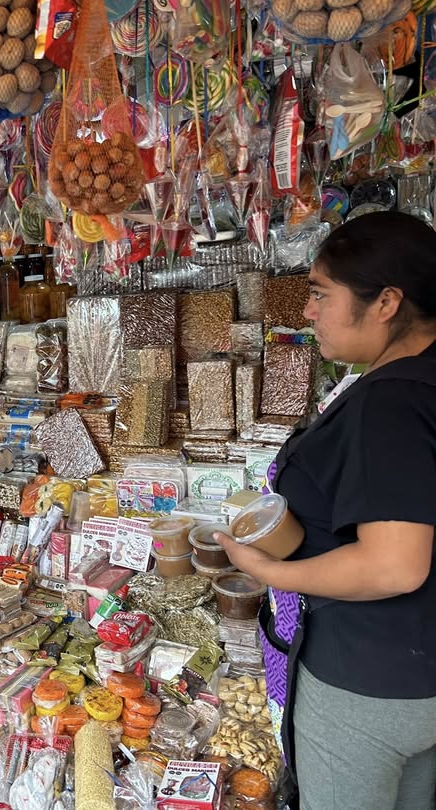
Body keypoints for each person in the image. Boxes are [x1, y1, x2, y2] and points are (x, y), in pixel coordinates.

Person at [217, 211, 436, 810]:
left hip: (366, 685)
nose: (307, 311)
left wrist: (266, 571)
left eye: (320, 294)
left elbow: (394, 566)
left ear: (387, 302)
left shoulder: (390, 402)